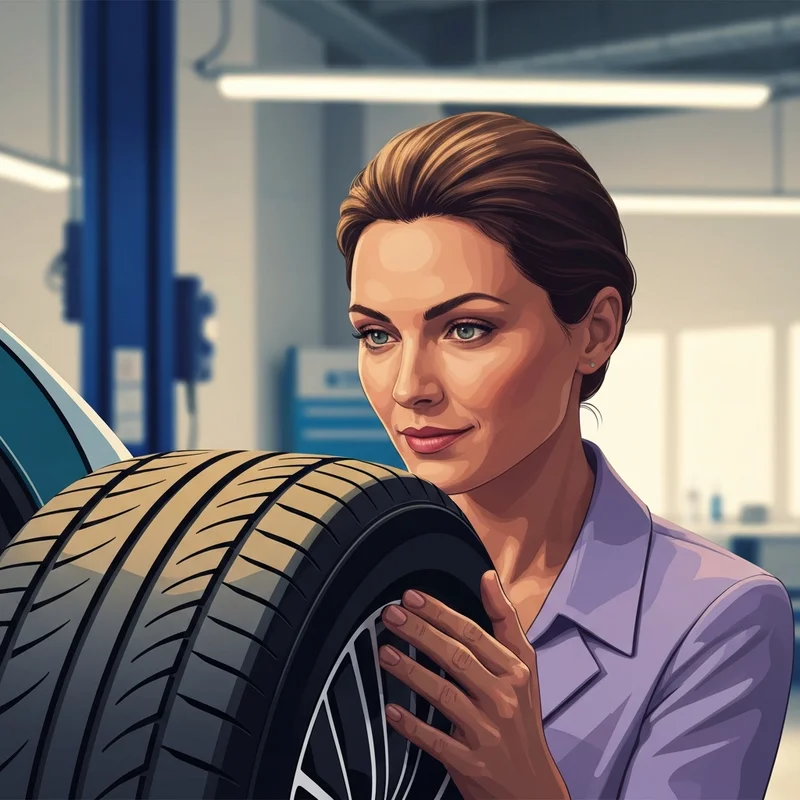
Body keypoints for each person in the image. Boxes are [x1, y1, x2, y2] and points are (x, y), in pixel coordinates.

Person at [336, 111, 794, 799]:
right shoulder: (341, 578)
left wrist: (523, 783)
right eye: (377, 335)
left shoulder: (717, 617)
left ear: (595, 331)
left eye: (467, 329)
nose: (408, 388)